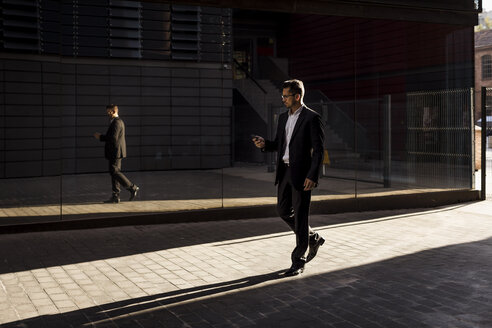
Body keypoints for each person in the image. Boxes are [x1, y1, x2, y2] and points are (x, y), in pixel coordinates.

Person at [252, 79, 325, 276]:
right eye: (283, 95)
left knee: (301, 218)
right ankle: (312, 238)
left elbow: (318, 151)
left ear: (297, 96)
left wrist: (313, 176)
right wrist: (265, 144)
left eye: (285, 96)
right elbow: (279, 144)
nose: (283, 99)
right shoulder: (283, 118)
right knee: (283, 210)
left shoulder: (312, 118)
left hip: (302, 176)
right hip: (284, 172)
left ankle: (298, 261)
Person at [93, 104, 139, 203]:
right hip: (115, 152)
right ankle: (115, 196)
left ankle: (132, 187)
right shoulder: (115, 122)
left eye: (109, 112)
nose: (107, 114)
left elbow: (113, 138)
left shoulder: (117, 122)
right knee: (113, 173)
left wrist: (100, 137)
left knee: (115, 172)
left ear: (114, 111)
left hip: (116, 152)